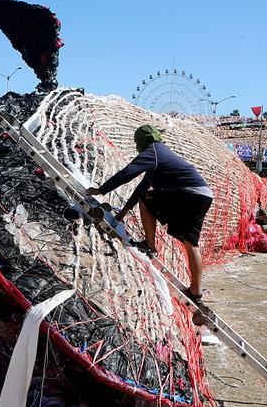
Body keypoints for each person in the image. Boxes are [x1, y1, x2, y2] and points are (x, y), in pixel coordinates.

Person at [87, 125, 213, 305]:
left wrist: (101, 190)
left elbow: (127, 173)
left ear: (141, 141)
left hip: (190, 195)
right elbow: (140, 189)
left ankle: (149, 244)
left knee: (147, 199)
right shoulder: (160, 155)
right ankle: (195, 291)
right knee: (190, 242)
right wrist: (122, 213)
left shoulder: (153, 151)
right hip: (203, 195)